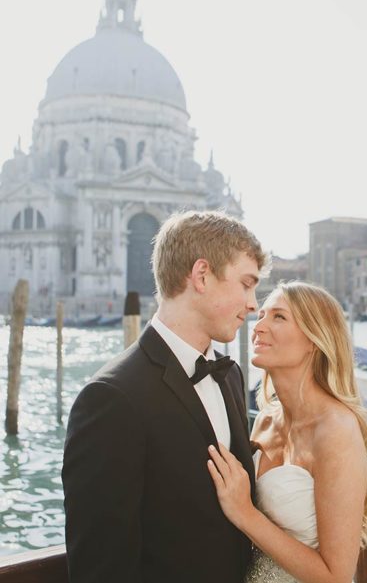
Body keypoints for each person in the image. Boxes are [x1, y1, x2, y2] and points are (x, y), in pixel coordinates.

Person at [62, 210, 267, 583]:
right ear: (202, 275)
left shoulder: (231, 376)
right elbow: (101, 568)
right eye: (246, 283)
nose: (254, 303)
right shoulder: (110, 399)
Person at [207, 281, 367, 583]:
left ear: (314, 339)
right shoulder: (265, 418)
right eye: (261, 315)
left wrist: (244, 513)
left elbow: (336, 576)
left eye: (278, 317)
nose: (258, 326)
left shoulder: (336, 430)